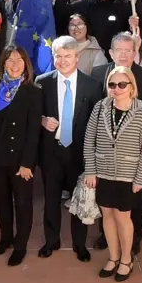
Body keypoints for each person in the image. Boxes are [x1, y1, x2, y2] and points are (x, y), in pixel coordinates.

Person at [84, 66, 142, 282]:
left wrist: (140, 178)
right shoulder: (100, 108)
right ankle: (113, 257)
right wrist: (91, 170)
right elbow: (89, 140)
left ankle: (126, 259)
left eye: (122, 84)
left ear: (132, 86)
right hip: (103, 172)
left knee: (123, 218)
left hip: (128, 175)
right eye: (112, 85)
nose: (117, 89)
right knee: (107, 215)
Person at [35, 36, 103, 262]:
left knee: (80, 199)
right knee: (51, 199)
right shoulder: (41, 82)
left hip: (80, 154)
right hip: (51, 152)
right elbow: (32, 115)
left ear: (77, 57)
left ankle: (79, 244)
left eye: (68, 56)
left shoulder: (92, 86)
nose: (63, 61)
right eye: (58, 56)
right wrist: (42, 120)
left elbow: (97, 123)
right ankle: (51, 240)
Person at [90, 32, 142, 246]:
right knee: (106, 199)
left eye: (128, 50)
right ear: (111, 52)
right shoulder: (97, 73)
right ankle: (107, 236)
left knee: (136, 199)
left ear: (135, 52)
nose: (123, 55)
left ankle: (135, 238)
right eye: (118, 50)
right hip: (105, 153)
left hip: (134, 155)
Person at [0, 45, 41, 266]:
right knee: (3, 201)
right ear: (3, 63)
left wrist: (28, 163)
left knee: (23, 204)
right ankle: (6, 238)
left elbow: (33, 131)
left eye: (19, 60)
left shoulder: (33, 91)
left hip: (20, 161)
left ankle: (20, 245)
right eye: (10, 60)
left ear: (25, 64)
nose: (15, 64)